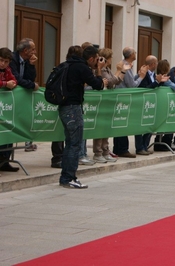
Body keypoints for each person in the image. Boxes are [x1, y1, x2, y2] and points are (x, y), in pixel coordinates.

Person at [58, 45, 108, 189]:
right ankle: (69, 178)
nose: (97, 61)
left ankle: (65, 177)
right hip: (73, 108)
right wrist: (99, 70)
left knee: (70, 143)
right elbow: (98, 85)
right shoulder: (81, 67)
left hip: (63, 107)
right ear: (91, 58)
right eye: (96, 59)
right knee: (75, 144)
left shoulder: (65, 65)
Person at [92, 47, 129, 163]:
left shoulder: (107, 69)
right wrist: (119, 71)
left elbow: (116, 81)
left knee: (106, 127)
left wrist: (122, 71)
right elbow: (111, 81)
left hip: (108, 102)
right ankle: (98, 152)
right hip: (101, 102)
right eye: (111, 57)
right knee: (100, 127)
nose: (112, 59)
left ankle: (105, 151)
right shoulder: (101, 70)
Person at [113, 47, 148, 158]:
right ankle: (122, 149)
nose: (136, 53)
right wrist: (141, 77)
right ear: (131, 54)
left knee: (121, 123)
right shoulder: (126, 66)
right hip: (124, 98)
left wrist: (138, 75)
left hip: (122, 97)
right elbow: (132, 85)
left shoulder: (126, 65)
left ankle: (118, 148)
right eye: (135, 52)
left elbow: (130, 80)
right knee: (123, 123)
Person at [9, 38, 39, 152]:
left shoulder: (27, 60)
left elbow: (30, 78)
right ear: (25, 50)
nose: (35, 52)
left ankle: (7, 158)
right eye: (33, 49)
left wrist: (31, 65)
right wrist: (31, 85)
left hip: (20, 97)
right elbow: (16, 78)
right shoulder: (12, 59)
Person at [0, 47, 19, 172]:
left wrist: (12, 83)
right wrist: (5, 84)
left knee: (8, 132)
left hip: (5, 109)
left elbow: (14, 80)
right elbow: (5, 83)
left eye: (6, 62)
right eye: (1, 60)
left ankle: (4, 161)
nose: (3, 64)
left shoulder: (7, 70)